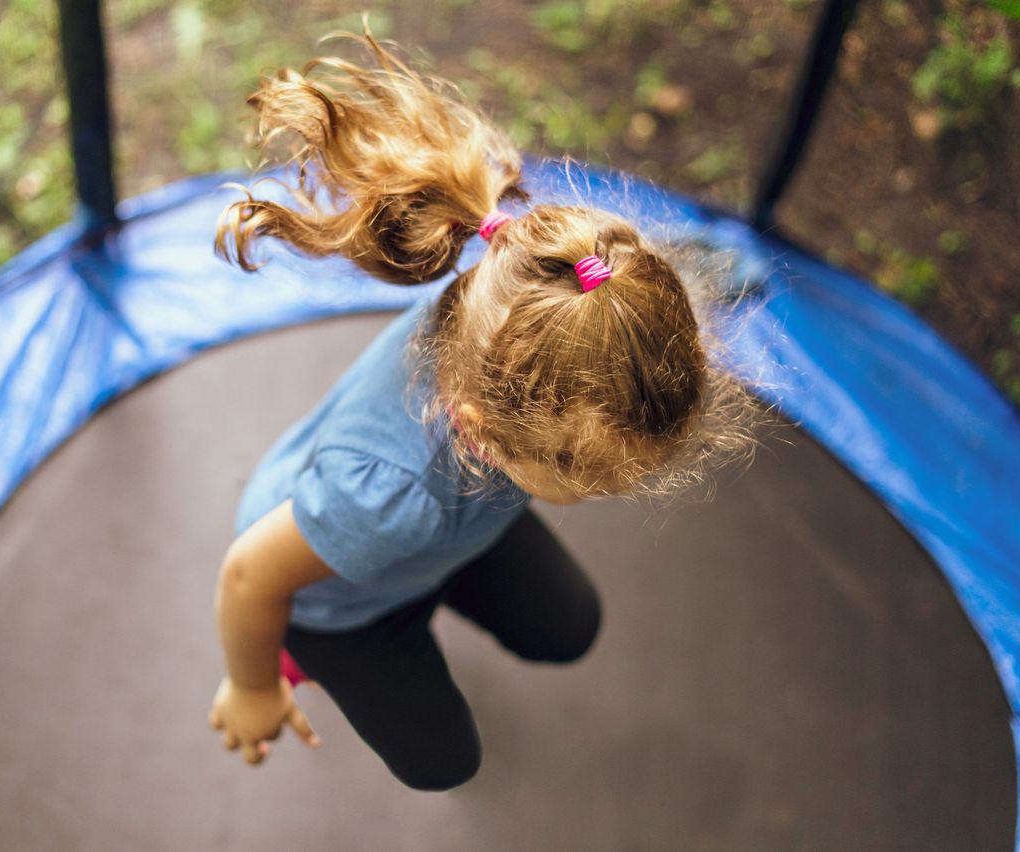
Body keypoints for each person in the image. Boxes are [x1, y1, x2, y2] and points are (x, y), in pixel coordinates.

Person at [207, 21, 761, 792]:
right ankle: (310, 653)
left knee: (568, 628)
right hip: (336, 595)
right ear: (483, 436)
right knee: (442, 764)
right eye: (588, 477)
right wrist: (253, 684)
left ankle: (440, 577)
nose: (606, 493)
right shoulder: (383, 499)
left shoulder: (540, 314)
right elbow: (246, 579)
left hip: (445, 532)